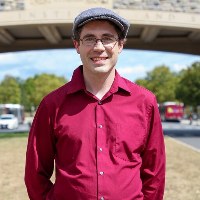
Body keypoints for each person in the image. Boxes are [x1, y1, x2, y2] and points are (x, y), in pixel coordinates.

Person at [25, 7, 165, 200]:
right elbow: (35, 173)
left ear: (120, 45)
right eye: (89, 39)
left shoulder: (145, 102)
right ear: (77, 46)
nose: (99, 47)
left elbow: (154, 173)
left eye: (107, 38)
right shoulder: (52, 104)